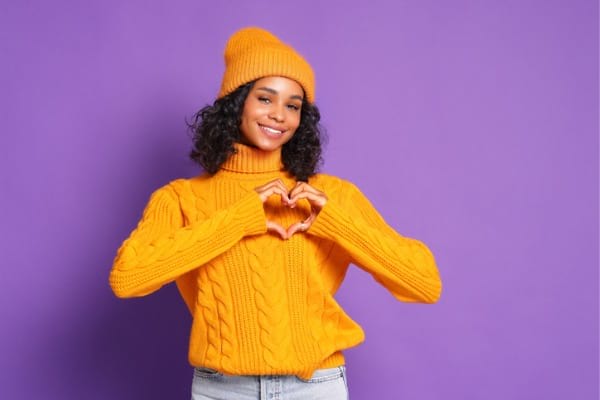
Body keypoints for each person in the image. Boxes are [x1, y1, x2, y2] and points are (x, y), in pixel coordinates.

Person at [108, 26, 442, 400]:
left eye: (293, 105)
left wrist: (335, 224)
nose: (279, 115)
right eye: (265, 99)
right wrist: (240, 218)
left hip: (315, 387)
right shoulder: (181, 198)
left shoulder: (328, 196)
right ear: (237, 104)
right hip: (222, 391)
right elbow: (127, 278)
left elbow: (424, 284)